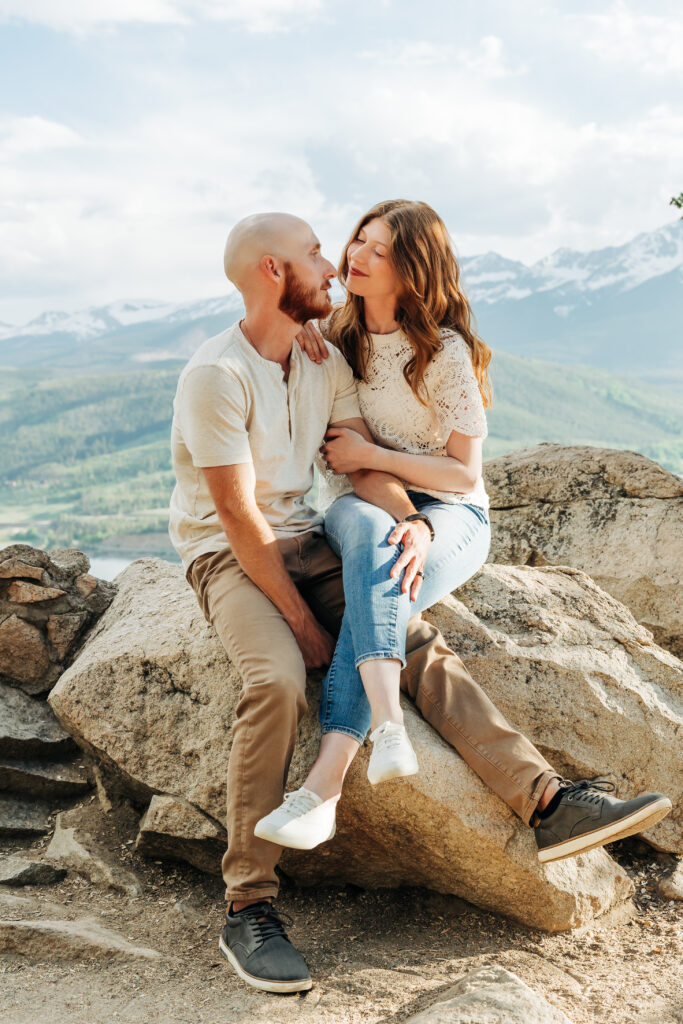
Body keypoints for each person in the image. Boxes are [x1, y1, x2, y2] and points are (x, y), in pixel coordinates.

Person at [169, 209, 671, 995]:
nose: (333, 263)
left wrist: (413, 531)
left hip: (317, 538)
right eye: (314, 254)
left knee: (406, 630)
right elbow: (236, 519)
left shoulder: (321, 356)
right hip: (233, 557)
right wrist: (302, 624)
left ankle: (544, 802)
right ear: (273, 272)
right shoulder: (215, 376)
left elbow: (360, 465)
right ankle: (248, 905)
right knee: (273, 682)